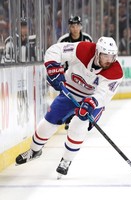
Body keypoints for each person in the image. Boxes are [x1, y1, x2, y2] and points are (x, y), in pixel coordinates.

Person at [15, 36, 123, 178]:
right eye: (105, 56)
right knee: (47, 124)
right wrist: (53, 67)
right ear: (97, 53)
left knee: (79, 124)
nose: (109, 60)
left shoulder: (116, 72)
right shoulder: (83, 49)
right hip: (70, 91)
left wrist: (91, 103)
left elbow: (104, 94)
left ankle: (66, 160)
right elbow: (55, 50)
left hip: (92, 100)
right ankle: (34, 151)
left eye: (112, 56)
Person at [57, 15, 93, 130]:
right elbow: (59, 57)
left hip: (84, 75)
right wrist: (60, 73)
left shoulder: (87, 39)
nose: (75, 28)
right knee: (67, 96)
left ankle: (77, 118)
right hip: (68, 76)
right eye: (73, 26)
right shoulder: (63, 40)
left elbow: (92, 57)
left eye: (77, 25)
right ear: (69, 27)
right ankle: (67, 119)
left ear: (81, 26)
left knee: (83, 97)